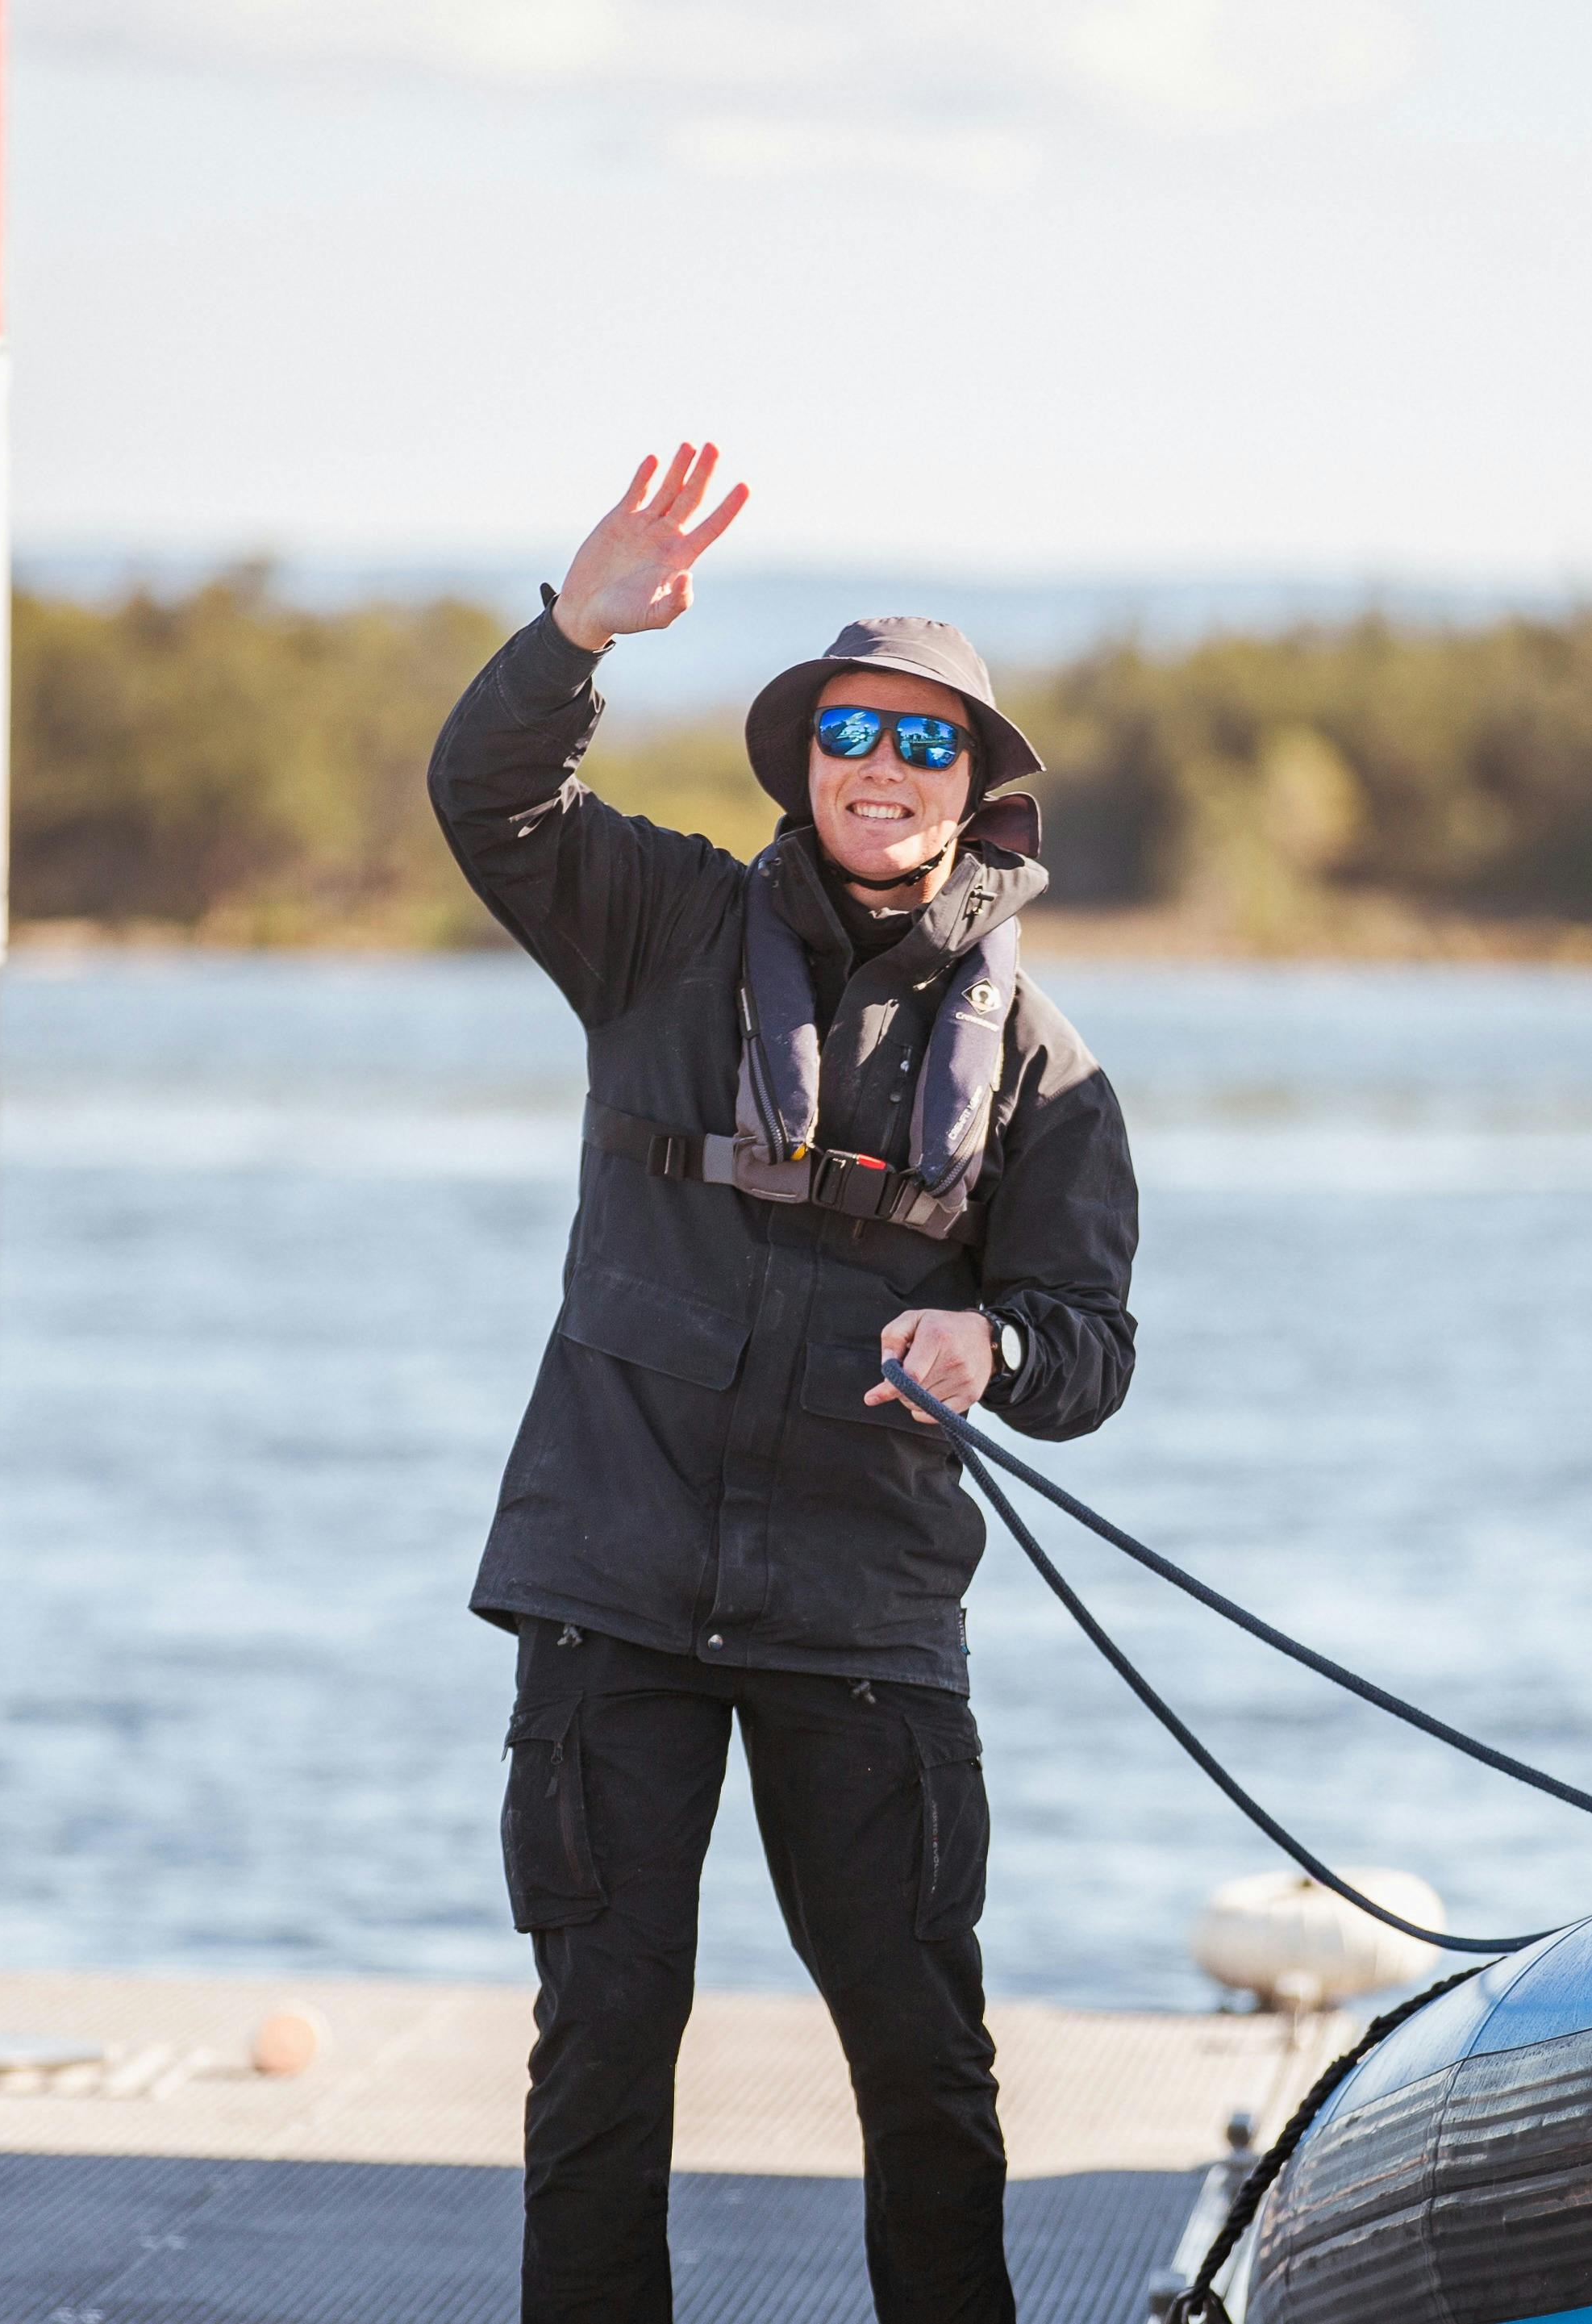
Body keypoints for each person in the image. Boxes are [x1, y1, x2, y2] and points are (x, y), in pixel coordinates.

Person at [427, 443, 1140, 2324]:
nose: (881, 767)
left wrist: (997, 1344)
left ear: (976, 787)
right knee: (602, 2051)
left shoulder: (1047, 1068)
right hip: (613, 1588)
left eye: (924, 742)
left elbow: (1088, 1350)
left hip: (865, 1618)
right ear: (803, 758)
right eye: (849, 731)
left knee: (925, 2061)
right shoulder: (655, 923)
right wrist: (574, 635)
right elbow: (489, 799)